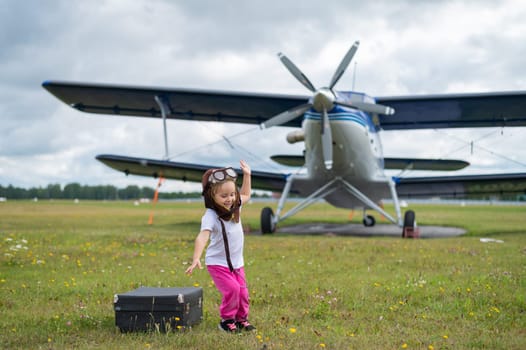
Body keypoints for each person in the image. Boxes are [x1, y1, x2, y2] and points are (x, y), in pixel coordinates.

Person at [185, 160, 256, 333]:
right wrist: (196, 258)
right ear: (212, 196)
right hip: (217, 263)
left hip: (237, 263)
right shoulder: (210, 215)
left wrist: (247, 175)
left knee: (243, 293)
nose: (229, 199)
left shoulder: (235, 206)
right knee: (232, 290)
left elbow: (245, 194)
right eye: (224, 196)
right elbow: (203, 237)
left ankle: (241, 319)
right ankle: (226, 320)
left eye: (232, 194)